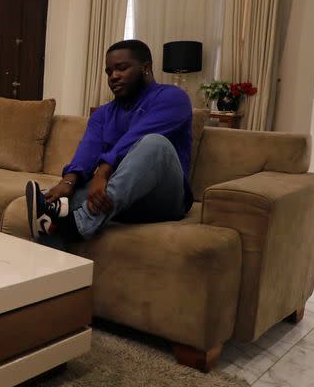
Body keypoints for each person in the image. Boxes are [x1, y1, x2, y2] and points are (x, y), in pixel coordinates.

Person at [26, 39, 192, 249]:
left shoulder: (173, 98)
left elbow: (135, 137)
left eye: (122, 68)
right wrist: (67, 182)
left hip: (163, 199)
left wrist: (102, 173)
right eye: (109, 72)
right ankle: (53, 224)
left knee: (154, 143)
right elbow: (88, 150)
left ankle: (79, 223)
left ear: (146, 68)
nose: (113, 76)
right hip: (121, 198)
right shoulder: (103, 113)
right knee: (54, 198)